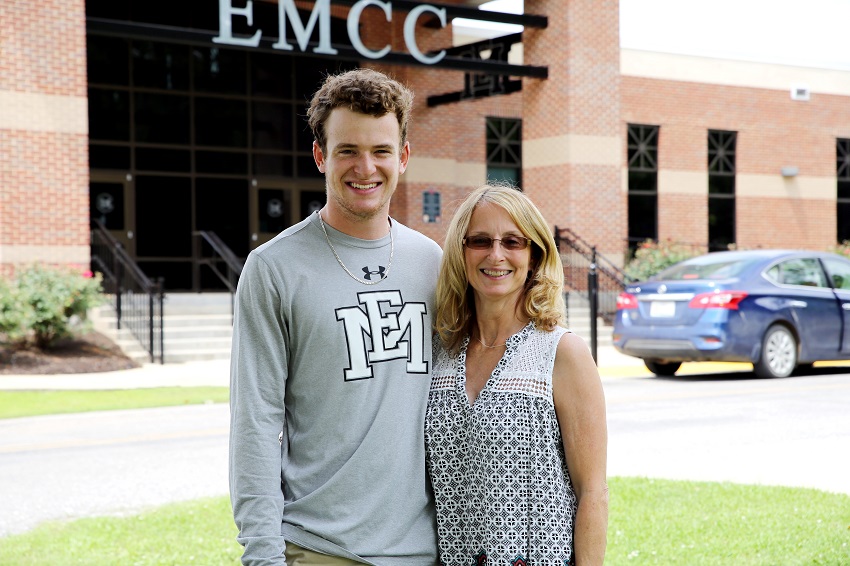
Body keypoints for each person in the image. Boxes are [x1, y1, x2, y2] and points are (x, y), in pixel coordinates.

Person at [229, 68, 442, 565]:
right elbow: (255, 424)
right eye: (347, 150)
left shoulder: (433, 262)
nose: (365, 167)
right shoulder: (273, 269)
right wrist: (263, 554)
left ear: (403, 157)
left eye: (381, 151)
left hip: (426, 551)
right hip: (318, 549)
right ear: (321, 155)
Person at [425, 183, 609, 565]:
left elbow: (592, 491)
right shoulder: (440, 352)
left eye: (512, 242)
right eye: (480, 240)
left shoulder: (561, 352)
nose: (496, 255)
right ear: (461, 252)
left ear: (534, 255)